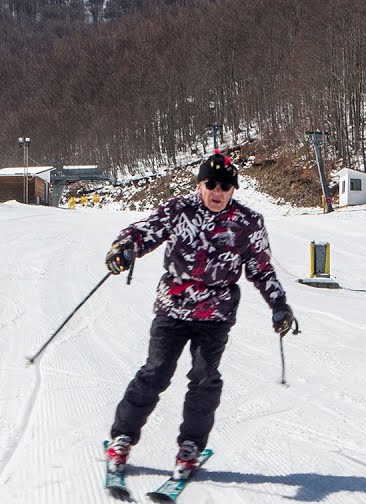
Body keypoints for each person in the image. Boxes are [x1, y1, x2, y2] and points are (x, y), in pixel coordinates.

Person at [103, 150, 295, 479]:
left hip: (216, 312)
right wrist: (124, 248)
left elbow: (261, 270)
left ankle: (191, 444)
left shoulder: (247, 223)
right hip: (173, 307)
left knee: (205, 378)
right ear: (200, 184)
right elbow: (144, 232)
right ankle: (122, 436)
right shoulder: (179, 210)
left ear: (233, 189)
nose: (217, 192)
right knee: (156, 372)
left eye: (225, 186)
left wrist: (279, 304)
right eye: (211, 184)